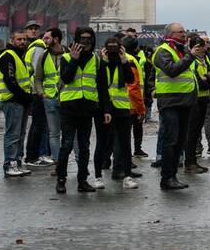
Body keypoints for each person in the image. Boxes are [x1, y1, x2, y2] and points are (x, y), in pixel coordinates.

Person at [55, 27, 110, 193]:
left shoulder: (97, 60)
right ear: (77, 40)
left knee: (85, 146)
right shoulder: (66, 57)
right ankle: (61, 179)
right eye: (83, 39)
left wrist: (106, 110)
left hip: (87, 108)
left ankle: (82, 180)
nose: (86, 42)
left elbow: (102, 88)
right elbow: (66, 78)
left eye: (89, 39)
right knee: (66, 144)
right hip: (69, 107)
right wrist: (74, 59)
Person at [152, 22, 197, 191]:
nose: (184, 35)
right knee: (171, 140)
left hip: (185, 101)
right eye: (180, 32)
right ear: (170, 34)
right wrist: (190, 56)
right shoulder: (163, 51)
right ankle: (167, 177)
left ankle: (173, 176)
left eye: (184, 32)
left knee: (180, 140)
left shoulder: (183, 50)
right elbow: (172, 70)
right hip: (170, 101)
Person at [95, 34, 136, 189]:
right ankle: (98, 176)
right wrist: (104, 62)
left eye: (115, 46)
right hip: (104, 109)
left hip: (121, 108)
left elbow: (130, 79)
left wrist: (124, 60)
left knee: (125, 144)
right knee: (102, 143)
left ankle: (127, 176)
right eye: (109, 46)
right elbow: (99, 82)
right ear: (105, 49)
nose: (112, 49)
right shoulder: (100, 63)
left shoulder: (124, 62)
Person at [0, 29, 33, 178]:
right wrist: (24, 96)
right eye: (19, 39)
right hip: (13, 100)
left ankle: (18, 162)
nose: (23, 42)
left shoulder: (20, 56)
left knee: (20, 134)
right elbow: (10, 80)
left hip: (21, 100)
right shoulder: (8, 56)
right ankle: (10, 164)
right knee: (13, 134)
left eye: (24, 39)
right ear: (12, 40)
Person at [23, 23, 53, 166]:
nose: (34, 31)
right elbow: (38, 72)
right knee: (39, 124)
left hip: (34, 90)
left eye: (36, 29)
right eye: (31, 29)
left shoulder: (31, 48)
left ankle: (35, 154)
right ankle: (34, 155)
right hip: (39, 91)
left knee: (39, 124)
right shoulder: (38, 48)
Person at [34, 29, 65, 167]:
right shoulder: (43, 56)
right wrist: (42, 93)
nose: (44, 40)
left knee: (72, 134)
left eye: (47, 38)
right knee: (54, 134)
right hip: (50, 99)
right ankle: (57, 163)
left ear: (56, 39)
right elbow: (38, 78)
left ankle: (76, 163)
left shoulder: (69, 54)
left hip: (67, 99)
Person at [184, 34, 210, 173]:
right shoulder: (191, 60)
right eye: (200, 47)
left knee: (196, 132)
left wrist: (208, 78)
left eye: (203, 47)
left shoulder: (204, 59)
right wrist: (207, 80)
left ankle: (192, 161)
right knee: (192, 132)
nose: (203, 49)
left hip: (204, 98)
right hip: (194, 99)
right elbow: (196, 78)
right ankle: (189, 162)